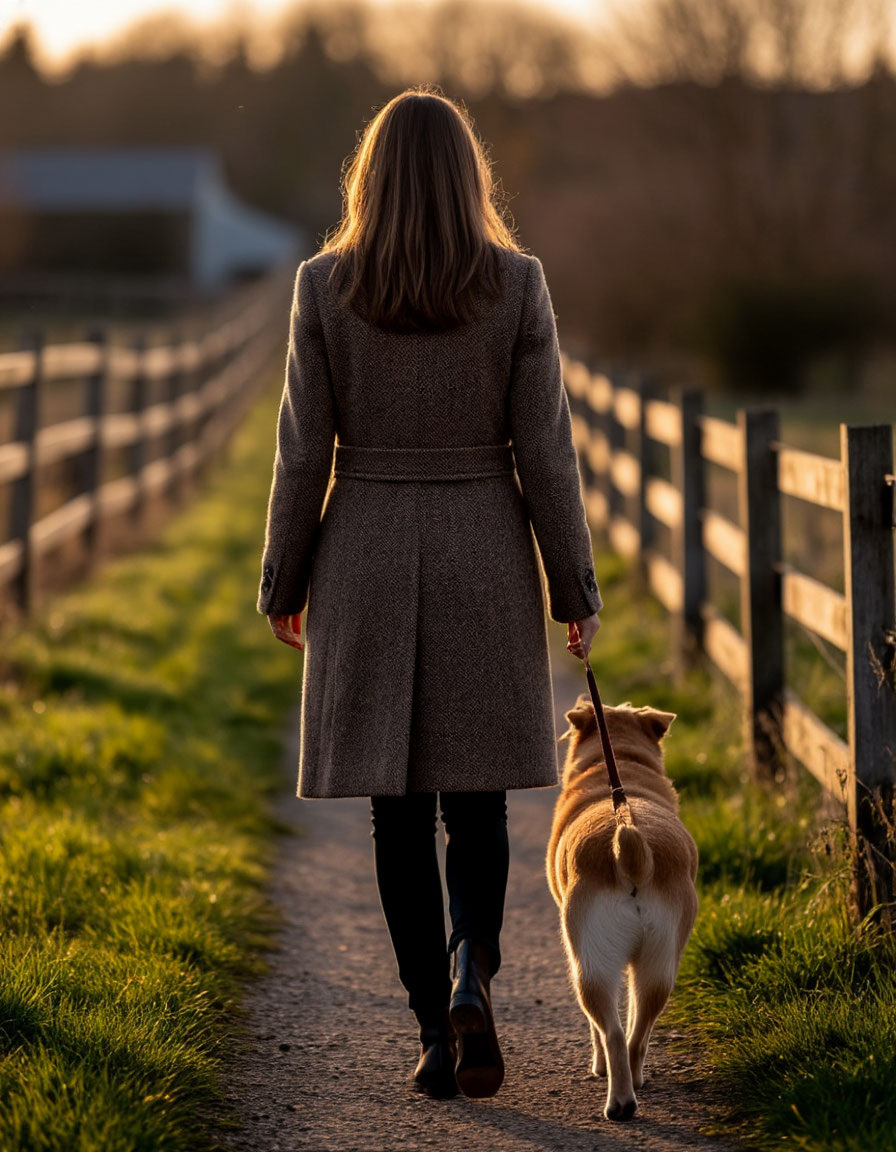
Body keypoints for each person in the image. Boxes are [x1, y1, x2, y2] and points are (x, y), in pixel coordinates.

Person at [257, 84, 602, 1101]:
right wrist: (569, 585)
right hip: (482, 552)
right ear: (468, 180)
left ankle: (431, 1030)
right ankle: (469, 973)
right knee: (478, 801)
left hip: (361, 546)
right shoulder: (517, 283)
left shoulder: (324, 286)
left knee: (394, 815)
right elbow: (546, 451)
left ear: (369, 179)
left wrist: (284, 576)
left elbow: (298, 454)